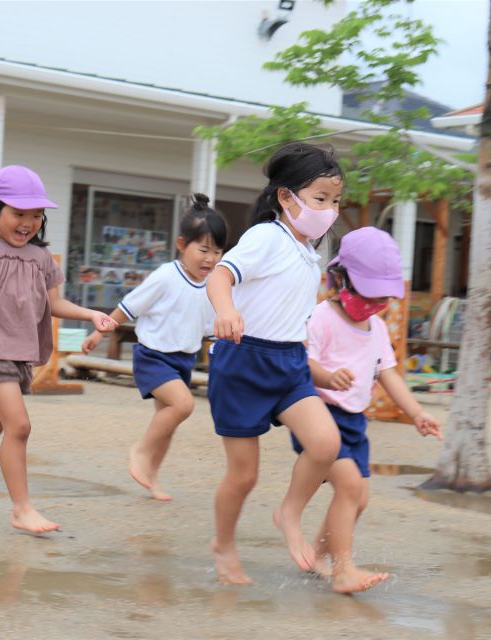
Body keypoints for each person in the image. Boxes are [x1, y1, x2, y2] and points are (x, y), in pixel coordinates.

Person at [0, 165, 117, 533]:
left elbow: (55, 304)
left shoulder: (40, 258)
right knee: (19, 425)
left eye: (36, 215)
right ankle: (22, 510)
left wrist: (91, 313)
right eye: (19, 213)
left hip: (17, 353)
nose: (28, 222)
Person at [207, 142, 344, 585]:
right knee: (243, 476)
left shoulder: (310, 253)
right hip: (243, 362)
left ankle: (289, 511)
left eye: (335, 201)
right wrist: (226, 310)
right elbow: (220, 275)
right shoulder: (267, 236)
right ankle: (223, 545)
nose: (329, 209)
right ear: (286, 197)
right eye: (320, 199)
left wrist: (318, 368)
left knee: (325, 443)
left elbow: (295, 316)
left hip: (288, 363)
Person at [292, 227, 442, 594]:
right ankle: (344, 570)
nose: (375, 306)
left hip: (354, 423)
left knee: (359, 497)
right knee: (349, 485)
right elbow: (301, 362)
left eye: (383, 299)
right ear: (339, 278)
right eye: (367, 295)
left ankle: (321, 555)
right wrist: (328, 377)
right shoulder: (322, 316)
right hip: (319, 417)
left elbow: (388, 373)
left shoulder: (375, 327)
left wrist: (416, 413)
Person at [83, 194, 227, 501]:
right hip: (154, 357)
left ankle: (151, 477)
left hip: (183, 360)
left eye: (217, 251)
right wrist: (100, 333)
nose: (210, 258)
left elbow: (212, 326)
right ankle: (140, 450)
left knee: (168, 423)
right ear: (181, 244)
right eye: (203, 249)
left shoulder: (212, 284)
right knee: (183, 405)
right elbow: (128, 307)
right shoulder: (165, 276)